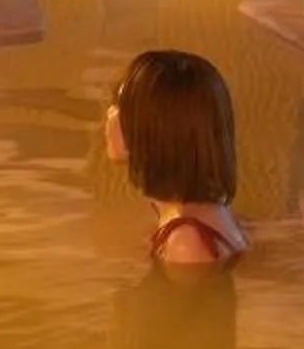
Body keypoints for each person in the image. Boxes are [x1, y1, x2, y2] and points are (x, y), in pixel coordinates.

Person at [105, 48, 247, 266]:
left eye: (121, 106)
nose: (110, 114)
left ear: (154, 131)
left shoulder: (185, 242)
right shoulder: (204, 211)